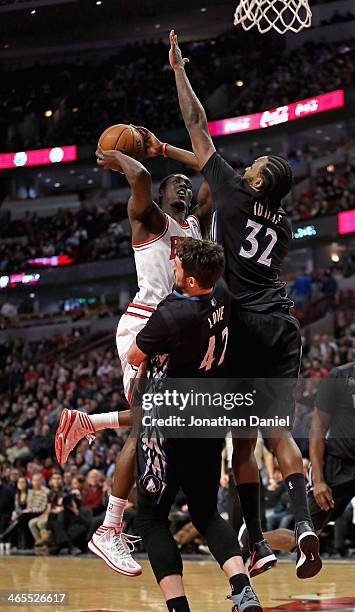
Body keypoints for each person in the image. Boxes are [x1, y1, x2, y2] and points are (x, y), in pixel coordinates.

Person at [168, 30, 321, 579]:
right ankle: (302, 526)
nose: (249, 161)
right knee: (279, 432)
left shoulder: (233, 192)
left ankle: (255, 541)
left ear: (255, 179)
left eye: (254, 162)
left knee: (243, 443)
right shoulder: (281, 225)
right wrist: (166, 151)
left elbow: (200, 127)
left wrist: (180, 73)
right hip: (284, 324)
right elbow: (206, 156)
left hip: (245, 326)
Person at [55, 138, 211, 575]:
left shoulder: (195, 227)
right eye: (174, 185)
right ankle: (108, 528)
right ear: (159, 196)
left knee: (175, 416)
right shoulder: (149, 220)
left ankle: (89, 421)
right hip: (146, 325)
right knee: (146, 425)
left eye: (185, 185)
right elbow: (140, 177)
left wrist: (165, 148)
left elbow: (209, 165)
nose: (183, 187)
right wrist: (121, 156)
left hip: (177, 331)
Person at [129, 237, 262, 612]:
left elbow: (135, 352)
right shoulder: (221, 291)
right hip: (209, 414)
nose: (172, 268)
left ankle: (179, 608)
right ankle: (242, 590)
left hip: (170, 419)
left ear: (189, 280)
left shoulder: (172, 314)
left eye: (177, 266)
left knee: (152, 518)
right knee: (205, 511)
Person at [308, 325, 355, 535]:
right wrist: (319, 479)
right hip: (335, 465)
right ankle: (253, 539)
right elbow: (317, 428)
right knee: (304, 537)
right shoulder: (339, 377)